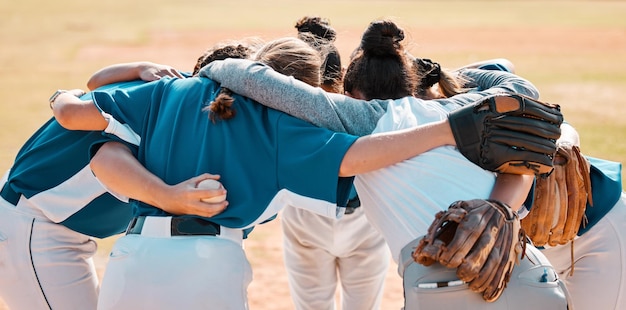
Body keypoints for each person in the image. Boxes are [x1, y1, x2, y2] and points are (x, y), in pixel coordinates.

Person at [51, 36, 473, 310]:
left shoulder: (168, 88)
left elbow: (88, 134)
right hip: (208, 264)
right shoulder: (280, 127)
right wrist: (445, 130)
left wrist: (60, 95)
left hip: (131, 259)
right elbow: (356, 158)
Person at [199, 20, 569, 308]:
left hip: (448, 290)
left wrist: (212, 70)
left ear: (351, 93)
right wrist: (444, 72)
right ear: (409, 82)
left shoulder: (362, 120)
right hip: (534, 279)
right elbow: (520, 86)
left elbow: (253, 78)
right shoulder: (459, 110)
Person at [0, 43, 253, 310]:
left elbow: (94, 82)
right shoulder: (183, 109)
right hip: (31, 223)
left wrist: (139, 67)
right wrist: (168, 197)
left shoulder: (177, 90)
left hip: (51, 224)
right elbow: (106, 158)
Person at [280, 16, 390, 310]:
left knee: (311, 305)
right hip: (364, 218)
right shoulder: (361, 108)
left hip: (305, 214)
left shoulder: (283, 109)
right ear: (341, 75)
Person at [523, 122, 626, 310]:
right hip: (532, 254)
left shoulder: (474, 104)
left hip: (599, 231)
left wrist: (562, 145)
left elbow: (559, 124)